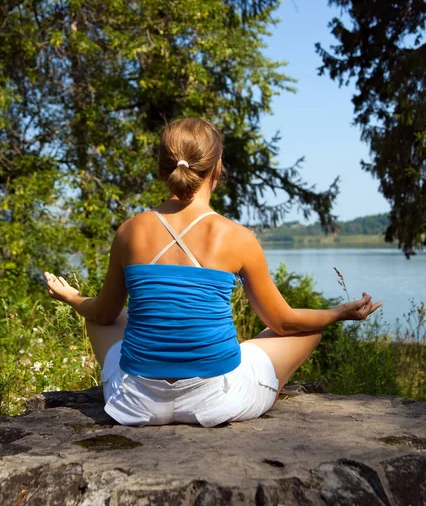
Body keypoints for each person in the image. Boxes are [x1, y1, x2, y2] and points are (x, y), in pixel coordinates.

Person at [44, 117, 382, 427]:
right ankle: (257, 393)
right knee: (310, 329)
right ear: (217, 169)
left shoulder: (130, 231)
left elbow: (103, 314)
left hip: (138, 402)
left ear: (164, 170)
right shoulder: (237, 237)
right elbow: (284, 323)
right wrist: (337, 313)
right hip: (216, 400)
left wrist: (72, 297)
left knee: (107, 316)